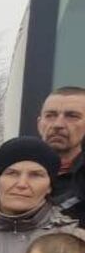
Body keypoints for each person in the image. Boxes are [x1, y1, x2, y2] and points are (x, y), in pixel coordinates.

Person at [38, 86, 85, 217]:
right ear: (39, 124)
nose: (58, 124)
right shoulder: (12, 175)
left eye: (72, 116)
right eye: (50, 116)